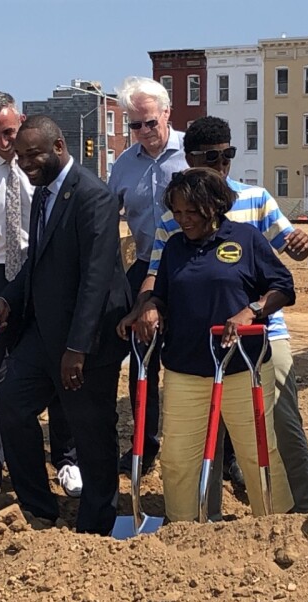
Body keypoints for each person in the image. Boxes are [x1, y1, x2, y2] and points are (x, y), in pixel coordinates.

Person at [125, 115, 308, 514]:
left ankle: (292, 515)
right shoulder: (174, 231)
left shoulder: (251, 217)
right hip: (190, 358)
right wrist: (145, 308)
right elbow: (156, 279)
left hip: (253, 350)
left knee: (271, 439)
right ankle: (195, 521)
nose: (221, 163)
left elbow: (284, 276)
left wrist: (253, 309)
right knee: (188, 450)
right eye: (211, 156)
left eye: (227, 155)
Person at [0, 115, 131, 535]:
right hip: (45, 332)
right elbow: (40, 258)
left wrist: (78, 348)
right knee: (12, 405)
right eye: (20, 157)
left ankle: (97, 521)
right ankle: (38, 506)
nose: (26, 164)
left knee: (91, 429)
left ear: (59, 147)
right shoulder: (44, 192)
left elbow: (96, 277)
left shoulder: (93, 197)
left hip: (88, 339)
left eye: (34, 155)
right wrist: (8, 296)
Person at [0, 90, 82, 501]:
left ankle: (67, 457)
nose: (2, 143)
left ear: (20, 120)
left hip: (45, 276)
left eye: (8, 132)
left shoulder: (44, 167)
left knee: (60, 368)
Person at [108, 76, 190, 475]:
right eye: (134, 126)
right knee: (142, 360)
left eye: (149, 123)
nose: (143, 133)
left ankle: (223, 453)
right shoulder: (123, 165)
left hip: (193, 266)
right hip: (145, 268)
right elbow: (106, 221)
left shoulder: (192, 154)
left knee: (204, 359)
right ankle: (143, 446)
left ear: (167, 115)